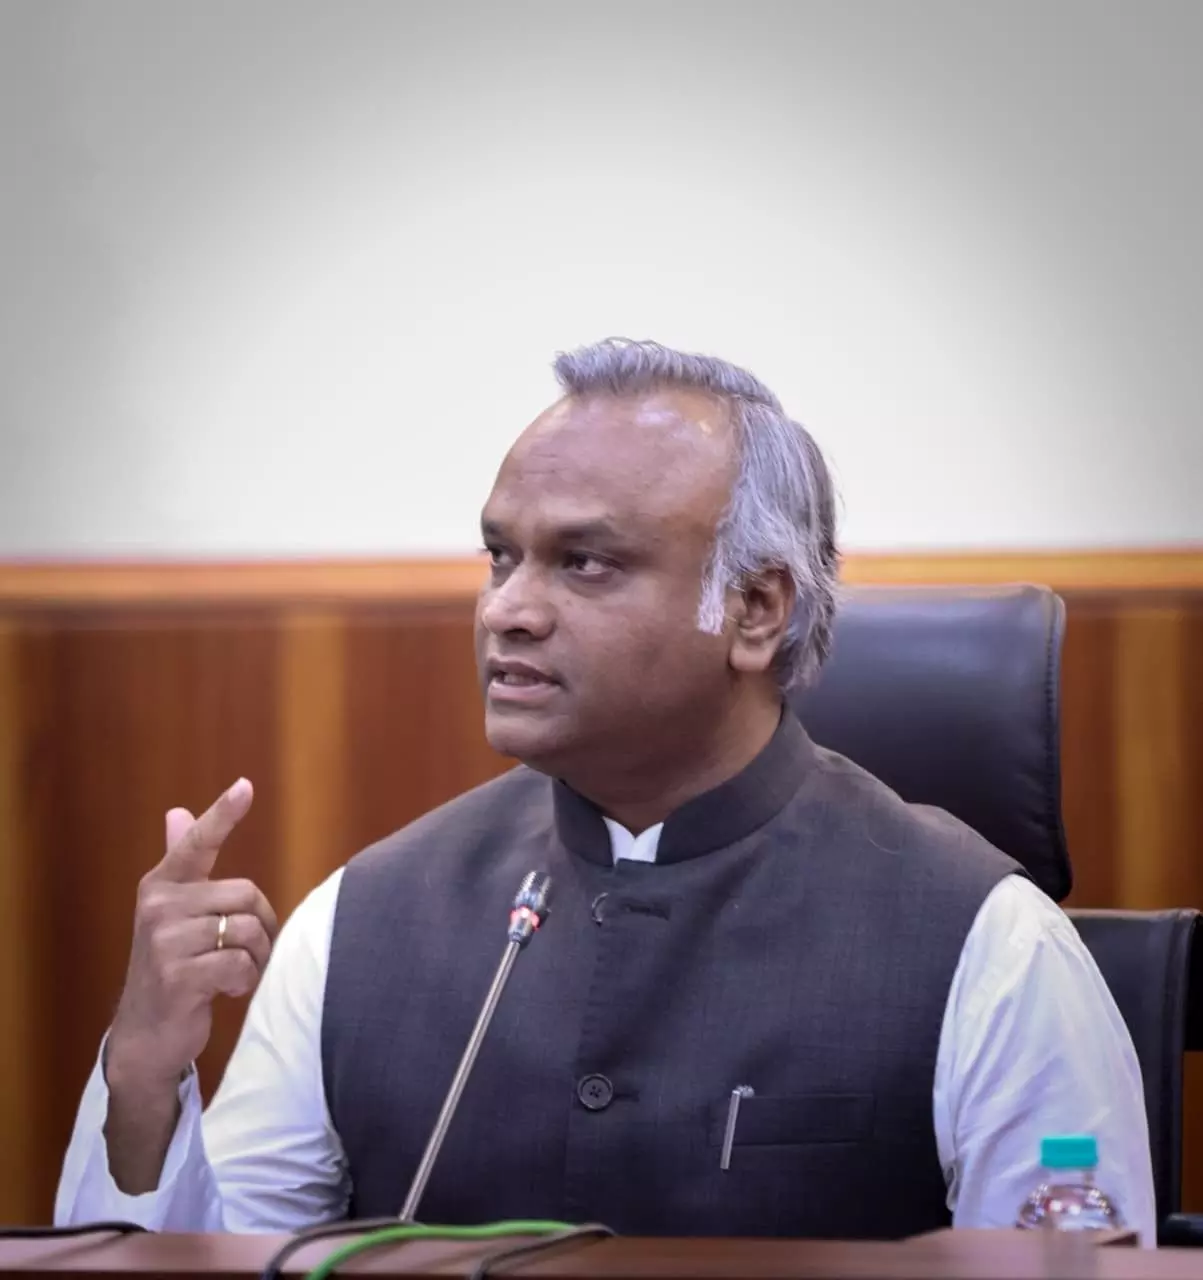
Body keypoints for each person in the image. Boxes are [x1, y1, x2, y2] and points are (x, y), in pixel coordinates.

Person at [56, 338, 1155, 1242]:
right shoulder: (361, 920)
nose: (507, 609)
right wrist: (145, 1068)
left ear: (755, 610)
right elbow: (222, 1261)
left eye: (585, 562)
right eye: (500, 556)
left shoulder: (986, 942)